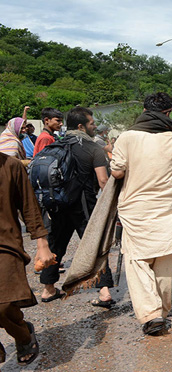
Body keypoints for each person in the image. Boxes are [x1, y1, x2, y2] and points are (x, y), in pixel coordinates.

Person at [110, 92, 172, 336]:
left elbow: (117, 172)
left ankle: (152, 314)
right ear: (168, 113)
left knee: (138, 262)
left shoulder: (126, 137)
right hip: (167, 209)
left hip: (135, 210)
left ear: (145, 111)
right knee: (163, 262)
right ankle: (162, 312)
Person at [38, 107, 117, 308]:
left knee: (56, 244)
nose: (94, 126)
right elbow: (103, 180)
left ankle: (48, 289)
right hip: (84, 206)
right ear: (81, 126)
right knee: (95, 246)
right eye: (92, 123)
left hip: (58, 205)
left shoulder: (56, 144)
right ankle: (104, 291)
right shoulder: (92, 148)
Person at [0, 151, 57, 372]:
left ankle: (23, 335)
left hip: (5, 244)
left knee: (3, 304)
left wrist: (42, 244)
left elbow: (29, 206)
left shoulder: (11, 166)